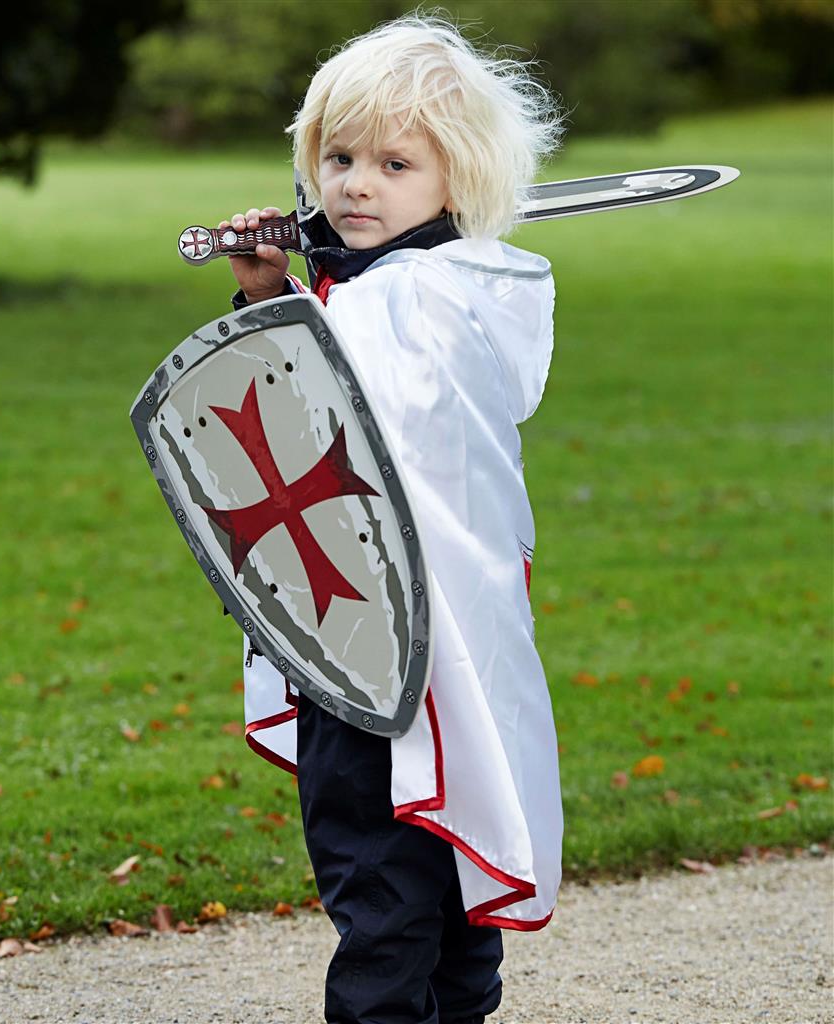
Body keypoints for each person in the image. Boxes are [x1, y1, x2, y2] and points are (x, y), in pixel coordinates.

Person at [221, 14, 564, 1023]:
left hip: (374, 654)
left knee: (382, 898)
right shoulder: (465, 288)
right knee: (446, 887)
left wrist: (287, 303)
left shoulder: (404, 304)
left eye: (394, 163)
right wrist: (276, 292)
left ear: (454, 182)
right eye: (337, 158)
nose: (355, 184)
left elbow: (310, 411)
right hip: (446, 652)